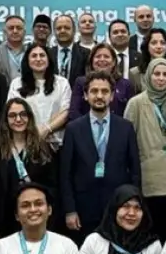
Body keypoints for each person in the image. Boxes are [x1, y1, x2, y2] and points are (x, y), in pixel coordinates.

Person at [60, 71, 141, 237]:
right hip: (84, 208)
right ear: (85, 95)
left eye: (104, 91)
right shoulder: (73, 129)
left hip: (119, 206)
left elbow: (135, 171)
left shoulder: (126, 128)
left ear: (112, 96)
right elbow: (65, 174)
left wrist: (133, 205)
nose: (99, 96)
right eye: (94, 91)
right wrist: (70, 210)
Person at [125, 59, 166, 239]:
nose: (161, 78)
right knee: (150, 231)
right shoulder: (136, 103)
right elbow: (127, 141)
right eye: (157, 74)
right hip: (148, 178)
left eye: (165, 74)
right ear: (148, 76)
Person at [0, 98, 57, 240]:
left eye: (23, 114)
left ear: (29, 117)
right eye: (12, 115)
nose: (18, 119)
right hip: (5, 220)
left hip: (36, 215)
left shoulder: (43, 148)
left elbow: (53, 187)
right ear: (6, 120)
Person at [8, 43, 71, 147]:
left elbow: (66, 111)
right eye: (34, 56)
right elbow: (12, 112)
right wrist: (33, 134)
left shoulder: (62, 83)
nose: (38, 59)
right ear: (27, 60)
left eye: (42, 55)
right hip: (25, 142)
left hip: (56, 143)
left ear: (48, 59)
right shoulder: (17, 83)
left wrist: (47, 129)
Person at [68, 43, 136, 120]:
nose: (102, 59)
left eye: (106, 56)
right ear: (92, 61)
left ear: (114, 62)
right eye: (98, 56)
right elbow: (74, 112)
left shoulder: (126, 85)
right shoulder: (81, 82)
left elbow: (131, 114)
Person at [129, 28, 166, 97]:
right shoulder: (135, 73)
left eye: (163, 43)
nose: (159, 47)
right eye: (154, 43)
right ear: (147, 46)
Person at [51, 14, 88, 84]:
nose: (62, 31)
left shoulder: (86, 54)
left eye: (67, 28)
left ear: (74, 31)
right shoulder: (47, 54)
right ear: (54, 32)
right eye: (59, 28)